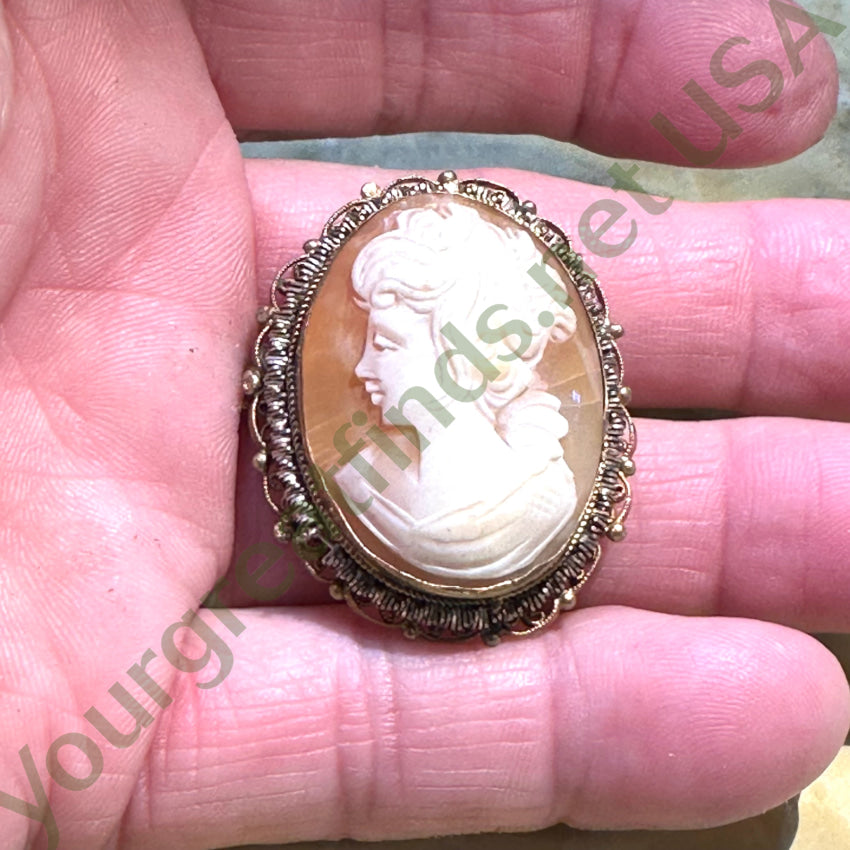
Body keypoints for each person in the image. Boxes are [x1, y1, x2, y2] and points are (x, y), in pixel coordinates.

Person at [0, 1, 847, 848]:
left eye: (392, 342)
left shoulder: (532, 500)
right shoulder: (376, 487)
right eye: (367, 338)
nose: (365, 367)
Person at [336, 203, 578, 580]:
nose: (361, 368)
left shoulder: (544, 500)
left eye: (384, 343)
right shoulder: (361, 477)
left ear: (463, 354)